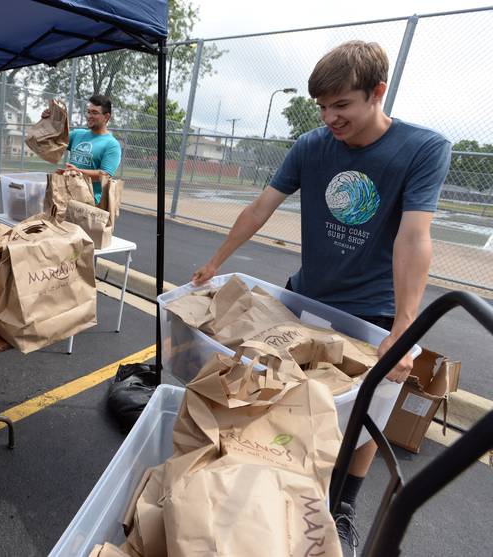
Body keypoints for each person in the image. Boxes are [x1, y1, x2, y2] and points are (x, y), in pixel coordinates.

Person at [191, 41, 451, 552]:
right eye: (323, 107)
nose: (330, 117)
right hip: (306, 296)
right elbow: (261, 207)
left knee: (362, 418)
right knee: (277, 393)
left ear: (377, 93)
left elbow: (414, 238)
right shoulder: (311, 145)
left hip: (372, 310)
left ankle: (344, 503)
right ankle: (268, 475)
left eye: (343, 105)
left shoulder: (423, 148)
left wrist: (404, 326)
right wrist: (217, 261)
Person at [42, 94, 122, 203]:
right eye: (88, 112)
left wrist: (77, 172)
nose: (89, 116)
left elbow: (105, 175)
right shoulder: (77, 134)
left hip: (89, 203)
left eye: (94, 113)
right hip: (66, 196)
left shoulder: (112, 144)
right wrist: (49, 121)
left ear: (106, 117)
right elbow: (52, 140)